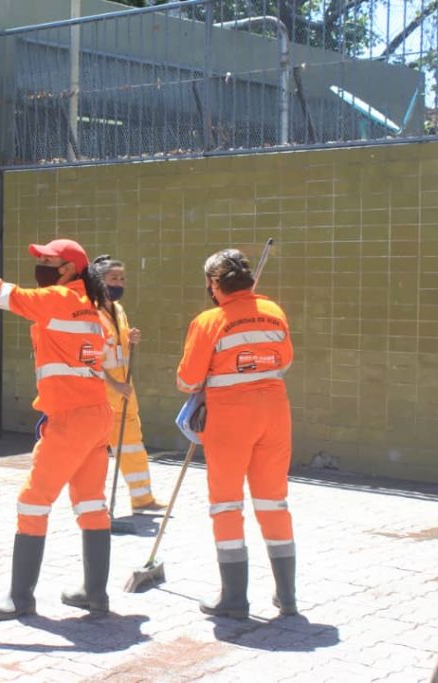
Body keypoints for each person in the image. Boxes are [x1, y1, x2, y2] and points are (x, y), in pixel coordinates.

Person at [0, 238, 115, 620]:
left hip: (69, 419)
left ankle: (20, 597)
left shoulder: (57, 299)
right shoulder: (96, 309)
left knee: (33, 501)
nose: (41, 266)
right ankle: (96, 593)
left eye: (48, 260)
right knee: (91, 503)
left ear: (69, 268)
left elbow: (4, 294)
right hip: (97, 416)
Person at [176, 248, 296, 619]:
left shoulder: (209, 321)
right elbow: (285, 359)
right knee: (273, 502)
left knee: (226, 504)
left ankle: (234, 597)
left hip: (230, 419)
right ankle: (287, 596)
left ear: (214, 284)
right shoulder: (273, 311)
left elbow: (187, 380)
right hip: (275, 414)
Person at [90, 256, 163, 512]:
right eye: (114, 278)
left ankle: (143, 499)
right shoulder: (90, 314)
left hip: (124, 393)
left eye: (122, 278)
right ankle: (93, 504)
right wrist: (113, 384)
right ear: (99, 280)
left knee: (133, 447)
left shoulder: (118, 310)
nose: (119, 283)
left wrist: (131, 339)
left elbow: (118, 348)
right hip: (101, 395)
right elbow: (90, 359)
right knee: (94, 452)